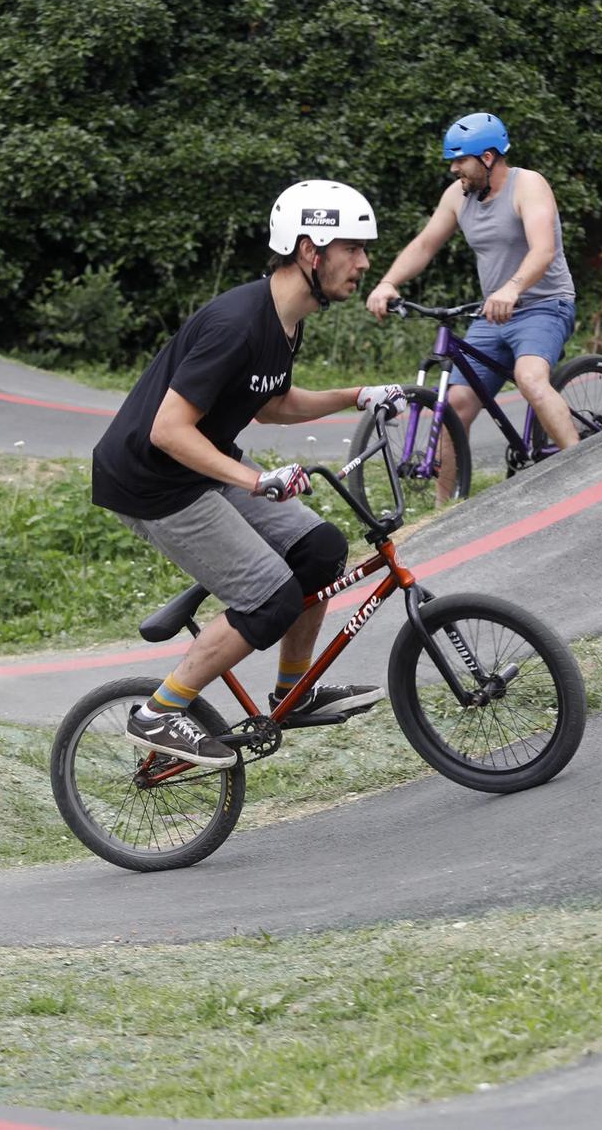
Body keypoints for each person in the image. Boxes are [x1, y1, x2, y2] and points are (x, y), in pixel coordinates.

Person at [91, 181, 409, 767]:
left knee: (319, 549)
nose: (365, 262)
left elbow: (272, 403)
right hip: (153, 480)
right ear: (312, 250)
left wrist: (355, 394)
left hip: (201, 459)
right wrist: (254, 480)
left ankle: (293, 690)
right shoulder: (237, 322)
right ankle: (160, 712)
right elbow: (167, 430)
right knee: (270, 598)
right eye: (353, 248)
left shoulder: (285, 320)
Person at [364, 112, 579, 496]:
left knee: (530, 379)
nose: (453, 168)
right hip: (492, 314)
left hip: (545, 305)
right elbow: (426, 244)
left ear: (489, 157)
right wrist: (388, 282)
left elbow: (544, 249)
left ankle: (590, 471)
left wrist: (512, 288)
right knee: (455, 406)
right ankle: (447, 509)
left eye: (460, 159)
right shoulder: (457, 197)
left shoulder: (528, 185)